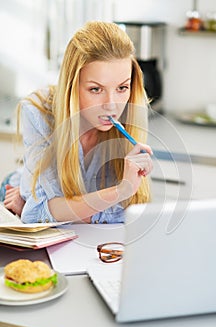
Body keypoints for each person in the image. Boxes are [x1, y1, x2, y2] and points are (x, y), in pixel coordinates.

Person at [2, 21, 153, 225]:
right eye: (95, 89)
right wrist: (120, 191)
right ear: (72, 86)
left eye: (122, 88)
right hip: (12, 198)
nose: (111, 106)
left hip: (31, 201)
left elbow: (132, 214)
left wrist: (58, 211)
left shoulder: (132, 111)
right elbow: (35, 215)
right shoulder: (38, 112)